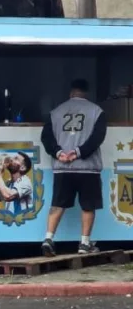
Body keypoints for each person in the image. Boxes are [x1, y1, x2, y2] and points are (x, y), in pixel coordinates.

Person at [40, 79, 107, 257]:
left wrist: (59, 153)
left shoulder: (56, 111)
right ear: (86, 92)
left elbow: (46, 137)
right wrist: (78, 152)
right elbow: (97, 138)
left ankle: (48, 238)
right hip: (88, 169)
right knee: (88, 206)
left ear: (71, 92)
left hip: (63, 168)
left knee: (57, 204)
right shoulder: (97, 111)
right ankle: (84, 243)